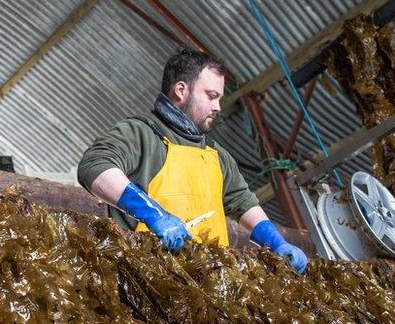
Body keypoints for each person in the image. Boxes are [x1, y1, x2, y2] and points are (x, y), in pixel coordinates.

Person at [77, 49, 308, 273]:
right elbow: (95, 166)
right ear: (181, 90)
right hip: (148, 276)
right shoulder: (141, 133)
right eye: (211, 96)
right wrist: (154, 215)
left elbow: (243, 202)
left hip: (213, 284)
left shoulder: (218, 156)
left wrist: (277, 243)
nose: (218, 106)